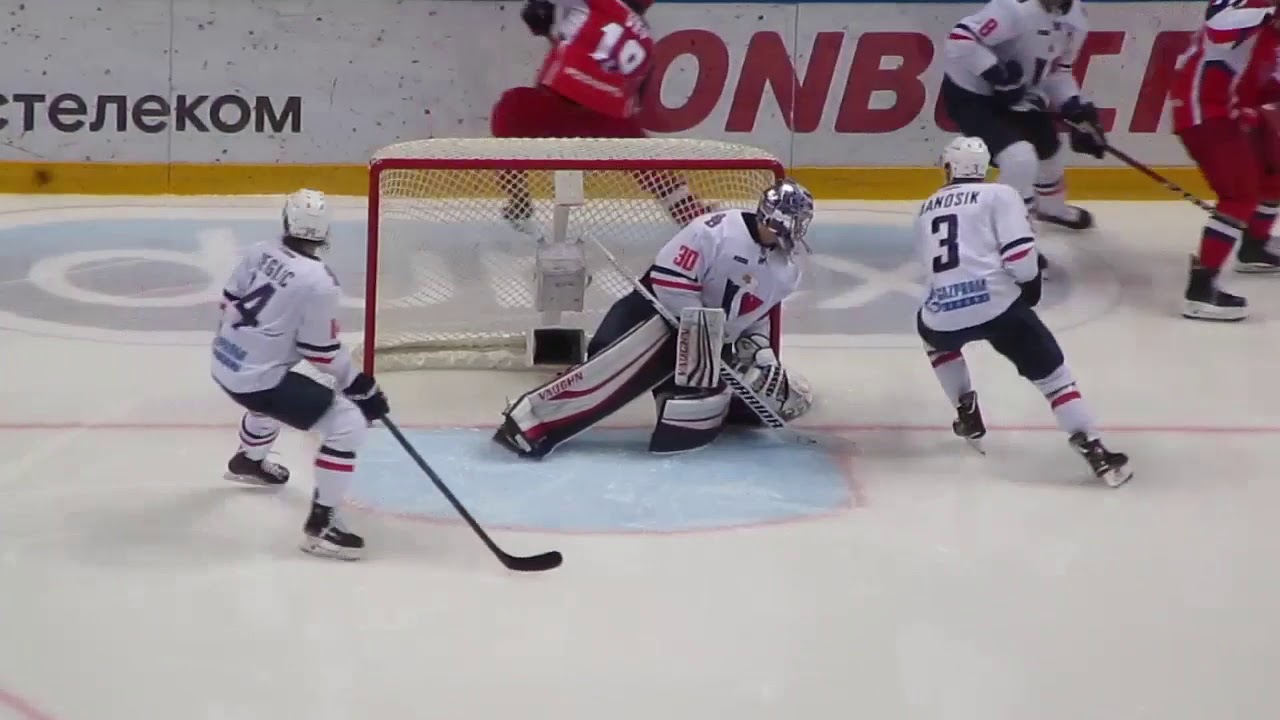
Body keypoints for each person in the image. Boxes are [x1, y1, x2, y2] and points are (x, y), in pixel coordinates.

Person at [492, 179, 815, 458]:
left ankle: (683, 398)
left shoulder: (786, 271)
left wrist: (759, 350)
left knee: (706, 405)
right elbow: (669, 283)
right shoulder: (714, 231)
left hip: (709, 342)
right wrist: (700, 334)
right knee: (605, 359)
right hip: (656, 314)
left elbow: (756, 317)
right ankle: (530, 423)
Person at [915, 137, 1132, 487]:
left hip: (945, 314)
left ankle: (966, 410)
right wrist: (1030, 286)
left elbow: (935, 271)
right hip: (999, 306)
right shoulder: (1000, 195)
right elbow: (1019, 255)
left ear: (949, 167)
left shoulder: (926, 208)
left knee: (934, 338)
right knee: (1054, 379)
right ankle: (1093, 446)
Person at [211, 189, 390, 560]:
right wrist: (360, 387)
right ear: (326, 232)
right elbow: (319, 350)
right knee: (348, 422)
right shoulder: (319, 281)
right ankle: (322, 528)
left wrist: (258, 343)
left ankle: (249, 460)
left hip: (224, 360)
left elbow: (228, 300)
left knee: (275, 390)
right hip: (256, 379)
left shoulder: (259, 251)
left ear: (286, 221)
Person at [490, 0, 712, 229]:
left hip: (560, 103)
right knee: (656, 174)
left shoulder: (596, 3)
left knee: (509, 109)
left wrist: (545, 23)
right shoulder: (647, 43)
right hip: (609, 122)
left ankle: (518, 198)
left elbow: (541, 19)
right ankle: (697, 219)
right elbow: (632, 95)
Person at [940, 0, 1104, 233]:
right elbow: (960, 40)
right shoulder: (1013, 8)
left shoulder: (1076, 18)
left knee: (1050, 150)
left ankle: (1050, 207)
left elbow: (1059, 72)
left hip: (1020, 95)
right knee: (1019, 159)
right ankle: (1002, 229)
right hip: (973, 95)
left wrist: (1075, 109)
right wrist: (998, 75)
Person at [1171, 0, 1280, 321]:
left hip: (1228, 110)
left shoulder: (1271, 34)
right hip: (1204, 112)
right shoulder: (1252, 11)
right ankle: (1201, 290)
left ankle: (1254, 246)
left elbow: (1267, 81)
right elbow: (1218, 26)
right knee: (1239, 195)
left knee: (1274, 165)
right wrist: (1269, 12)